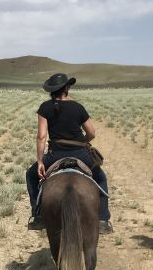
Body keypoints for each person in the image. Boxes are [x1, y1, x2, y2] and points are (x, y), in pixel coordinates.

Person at [25, 73, 111, 232]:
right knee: (100, 177)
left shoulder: (45, 107)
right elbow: (92, 133)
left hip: (55, 154)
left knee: (31, 175)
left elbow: (41, 136)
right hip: (81, 154)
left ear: (51, 90)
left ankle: (37, 216)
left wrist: (40, 162)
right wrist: (82, 142)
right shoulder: (78, 107)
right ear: (66, 88)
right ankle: (103, 219)